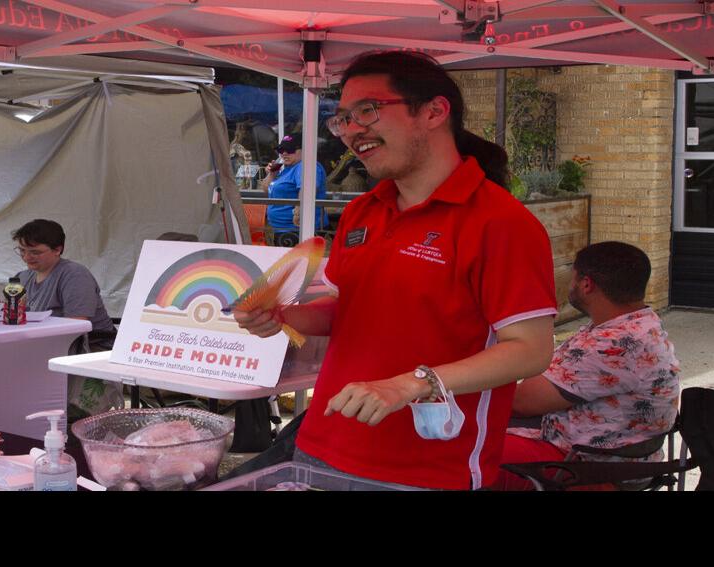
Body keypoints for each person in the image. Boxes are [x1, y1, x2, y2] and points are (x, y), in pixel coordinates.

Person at [234, 50, 557, 490]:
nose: (351, 131)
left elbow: (530, 350)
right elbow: (348, 308)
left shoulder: (501, 222)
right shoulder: (363, 211)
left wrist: (412, 384)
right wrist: (284, 317)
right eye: (342, 118)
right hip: (322, 441)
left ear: (434, 112)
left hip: (425, 467)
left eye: (367, 111)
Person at [495, 242, 680, 490]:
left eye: (572, 277)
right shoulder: (642, 324)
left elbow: (522, 402)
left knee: (461, 450)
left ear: (586, 284)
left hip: (591, 467)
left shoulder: (614, 343)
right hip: (621, 456)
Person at [10, 219, 120, 419]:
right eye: (22, 250)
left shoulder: (74, 275)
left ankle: (54, 420)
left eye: (35, 252)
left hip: (89, 347)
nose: (27, 257)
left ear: (57, 249)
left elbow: (76, 325)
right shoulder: (23, 277)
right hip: (47, 345)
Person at [260, 132, 328, 247]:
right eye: (281, 150)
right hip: (282, 229)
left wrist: (298, 213)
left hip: (297, 230)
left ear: (304, 150)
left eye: (290, 149)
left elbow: (306, 190)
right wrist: (272, 174)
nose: (284, 153)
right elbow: (266, 190)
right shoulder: (285, 168)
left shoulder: (305, 166)